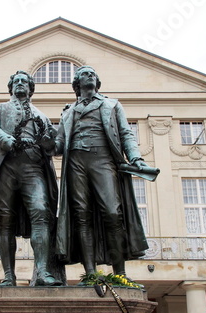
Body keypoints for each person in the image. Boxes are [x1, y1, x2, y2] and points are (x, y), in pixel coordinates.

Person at [55, 65, 149, 282]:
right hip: (76, 162)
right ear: (77, 84)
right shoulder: (68, 111)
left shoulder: (111, 104)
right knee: (81, 215)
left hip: (103, 159)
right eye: (84, 74)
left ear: (97, 82)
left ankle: (120, 273)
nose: (89, 76)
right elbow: (59, 145)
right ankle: (90, 273)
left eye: (92, 74)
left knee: (113, 213)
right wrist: (48, 143)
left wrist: (135, 157)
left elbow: (126, 133)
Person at [0, 70, 62, 287]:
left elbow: (56, 147)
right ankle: (9, 275)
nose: (19, 84)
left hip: (33, 169)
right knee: (4, 220)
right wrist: (9, 140)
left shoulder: (42, 117)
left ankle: (43, 272)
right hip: (6, 166)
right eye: (16, 81)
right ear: (11, 88)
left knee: (41, 213)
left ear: (30, 88)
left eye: (24, 82)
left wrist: (49, 143)